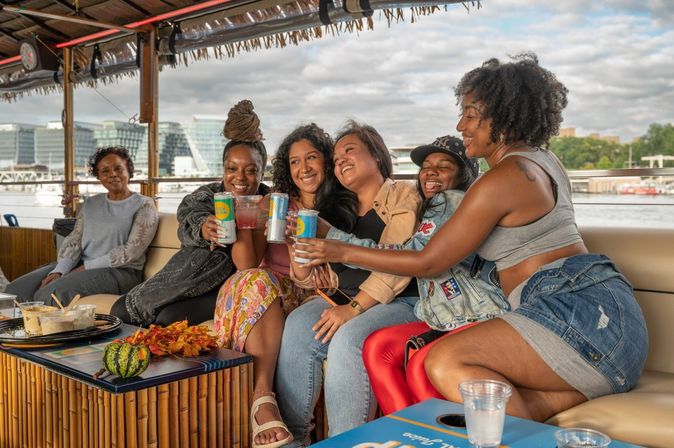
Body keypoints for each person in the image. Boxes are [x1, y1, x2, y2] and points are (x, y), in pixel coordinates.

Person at [296, 53, 648, 422]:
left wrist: (339, 248)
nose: (461, 123)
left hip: (581, 317)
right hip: (606, 322)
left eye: (471, 113)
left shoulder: (506, 177)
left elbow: (428, 261)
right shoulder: (542, 160)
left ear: (504, 115)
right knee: (500, 400)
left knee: (446, 361)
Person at [320, 135, 508, 415]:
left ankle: (416, 434)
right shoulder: (437, 206)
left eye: (443, 167)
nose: (430, 172)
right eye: (426, 166)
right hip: (444, 312)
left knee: (404, 360)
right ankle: (412, 434)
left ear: (465, 174)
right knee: (380, 349)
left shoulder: (451, 201)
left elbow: (409, 257)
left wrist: (334, 242)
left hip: (473, 315)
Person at [275, 120, 421, 445]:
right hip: (346, 302)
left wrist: (352, 309)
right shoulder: (335, 208)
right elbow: (306, 279)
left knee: (349, 338)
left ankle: (345, 442)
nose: (340, 160)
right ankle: (295, 440)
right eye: (337, 157)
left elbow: (397, 264)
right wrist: (294, 244)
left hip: (400, 302)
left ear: (379, 157)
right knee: (299, 323)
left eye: (349, 151)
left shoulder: (402, 196)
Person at [213, 123, 356, 448]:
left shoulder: (343, 203)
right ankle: (260, 398)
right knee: (249, 279)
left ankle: (260, 400)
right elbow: (247, 264)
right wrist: (242, 216)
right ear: (285, 169)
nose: (303, 168)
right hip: (265, 293)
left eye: (311, 158)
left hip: (311, 293)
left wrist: (304, 240)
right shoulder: (273, 204)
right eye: (294, 161)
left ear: (326, 161)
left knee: (253, 282)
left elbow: (344, 264)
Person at [111, 100, 270, 326]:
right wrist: (204, 228)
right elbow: (188, 217)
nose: (240, 177)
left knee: (169, 320)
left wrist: (243, 213)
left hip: (229, 287)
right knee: (121, 309)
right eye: (231, 169)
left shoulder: (267, 204)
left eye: (251, 170)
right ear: (223, 170)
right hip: (186, 278)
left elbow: (248, 266)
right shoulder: (208, 195)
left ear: (262, 172)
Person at [6, 146, 158, 306]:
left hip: (121, 272)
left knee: (49, 295)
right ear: (99, 177)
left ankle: (43, 330)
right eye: (105, 171)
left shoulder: (144, 205)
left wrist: (84, 268)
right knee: (14, 291)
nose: (113, 174)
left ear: (128, 169)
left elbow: (131, 252)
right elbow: (75, 241)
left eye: (118, 168)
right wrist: (60, 271)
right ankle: (17, 330)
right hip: (81, 265)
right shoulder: (91, 204)